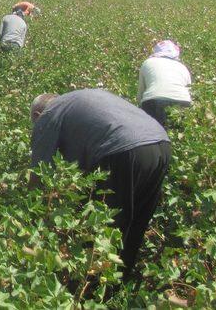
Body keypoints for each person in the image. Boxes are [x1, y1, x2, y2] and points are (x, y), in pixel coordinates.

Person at [30, 89, 171, 279]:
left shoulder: (48, 115)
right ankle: (119, 283)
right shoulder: (76, 102)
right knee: (136, 220)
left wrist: (32, 220)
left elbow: (38, 173)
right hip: (161, 143)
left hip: (122, 148)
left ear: (37, 115)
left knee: (104, 225)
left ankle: (89, 286)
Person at [138, 40, 192, 127]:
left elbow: (141, 92)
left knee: (155, 135)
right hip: (182, 101)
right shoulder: (183, 67)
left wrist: (140, 109)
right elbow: (190, 91)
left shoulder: (148, 62)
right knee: (177, 133)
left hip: (154, 100)